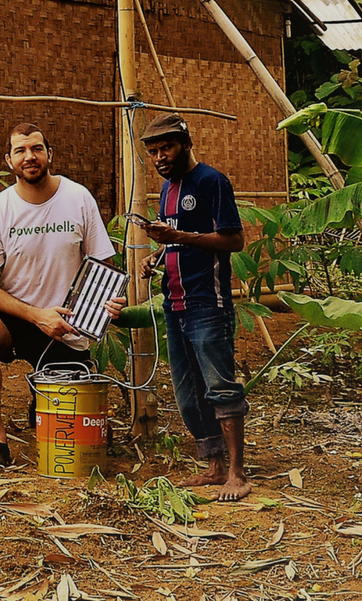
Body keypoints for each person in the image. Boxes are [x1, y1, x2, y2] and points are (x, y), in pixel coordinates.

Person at [104, 112, 252, 500]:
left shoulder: (212, 181)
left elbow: (233, 240)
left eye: (166, 148)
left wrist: (178, 236)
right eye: (153, 152)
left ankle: (237, 473)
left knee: (220, 387)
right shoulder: (168, 189)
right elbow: (176, 239)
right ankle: (214, 466)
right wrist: (156, 254)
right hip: (174, 303)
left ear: (186, 144)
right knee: (188, 393)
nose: (159, 157)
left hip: (208, 302)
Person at [0, 123, 115, 470]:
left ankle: (43, 397)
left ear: (50, 154)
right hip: (16, 318)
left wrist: (109, 301)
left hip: (67, 321)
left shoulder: (78, 198)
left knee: (79, 437)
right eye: (20, 150)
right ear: (9, 160)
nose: (29, 156)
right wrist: (36, 315)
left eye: (36, 149)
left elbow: (102, 267)